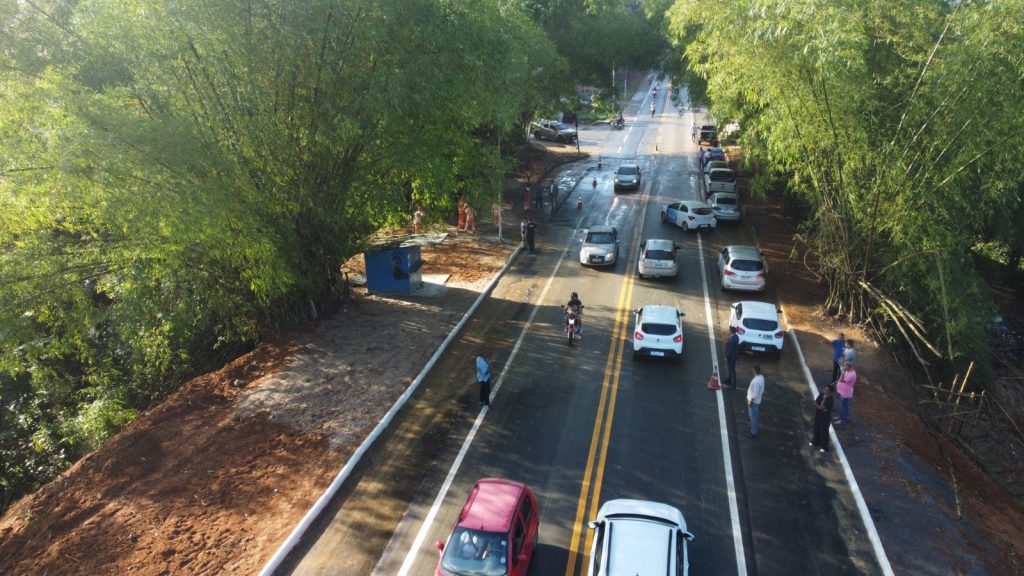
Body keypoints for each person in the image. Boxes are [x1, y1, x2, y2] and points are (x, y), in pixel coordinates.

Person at [810, 384, 835, 453]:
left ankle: (824, 447)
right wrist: (819, 407)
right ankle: (815, 442)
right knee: (816, 428)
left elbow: (823, 408)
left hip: (825, 418)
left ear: (830, 392)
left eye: (826, 390)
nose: (824, 390)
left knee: (824, 432)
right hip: (818, 415)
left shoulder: (830, 400)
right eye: (824, 389)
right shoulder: (821, 394)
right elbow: (816, 402)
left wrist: (822, 401)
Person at [747, 365, 765, 438]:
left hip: (754, 402)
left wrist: (750, 401)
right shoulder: (761, 377)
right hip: (757, 401)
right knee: (755, 416)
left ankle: (753, 432)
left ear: (754, 371)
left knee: (753, 416)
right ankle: (754, 427)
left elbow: (755, 394)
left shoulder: (757, 382)